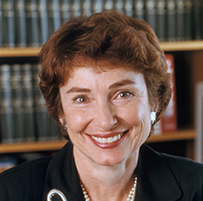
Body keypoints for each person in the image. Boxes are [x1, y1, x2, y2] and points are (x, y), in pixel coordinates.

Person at [0, 10, 203, 201]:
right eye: (81, 99)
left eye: (123, 94)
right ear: (61, 111)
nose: (106, 121)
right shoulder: (11, 191)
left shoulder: (196, 186)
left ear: (154, 100)